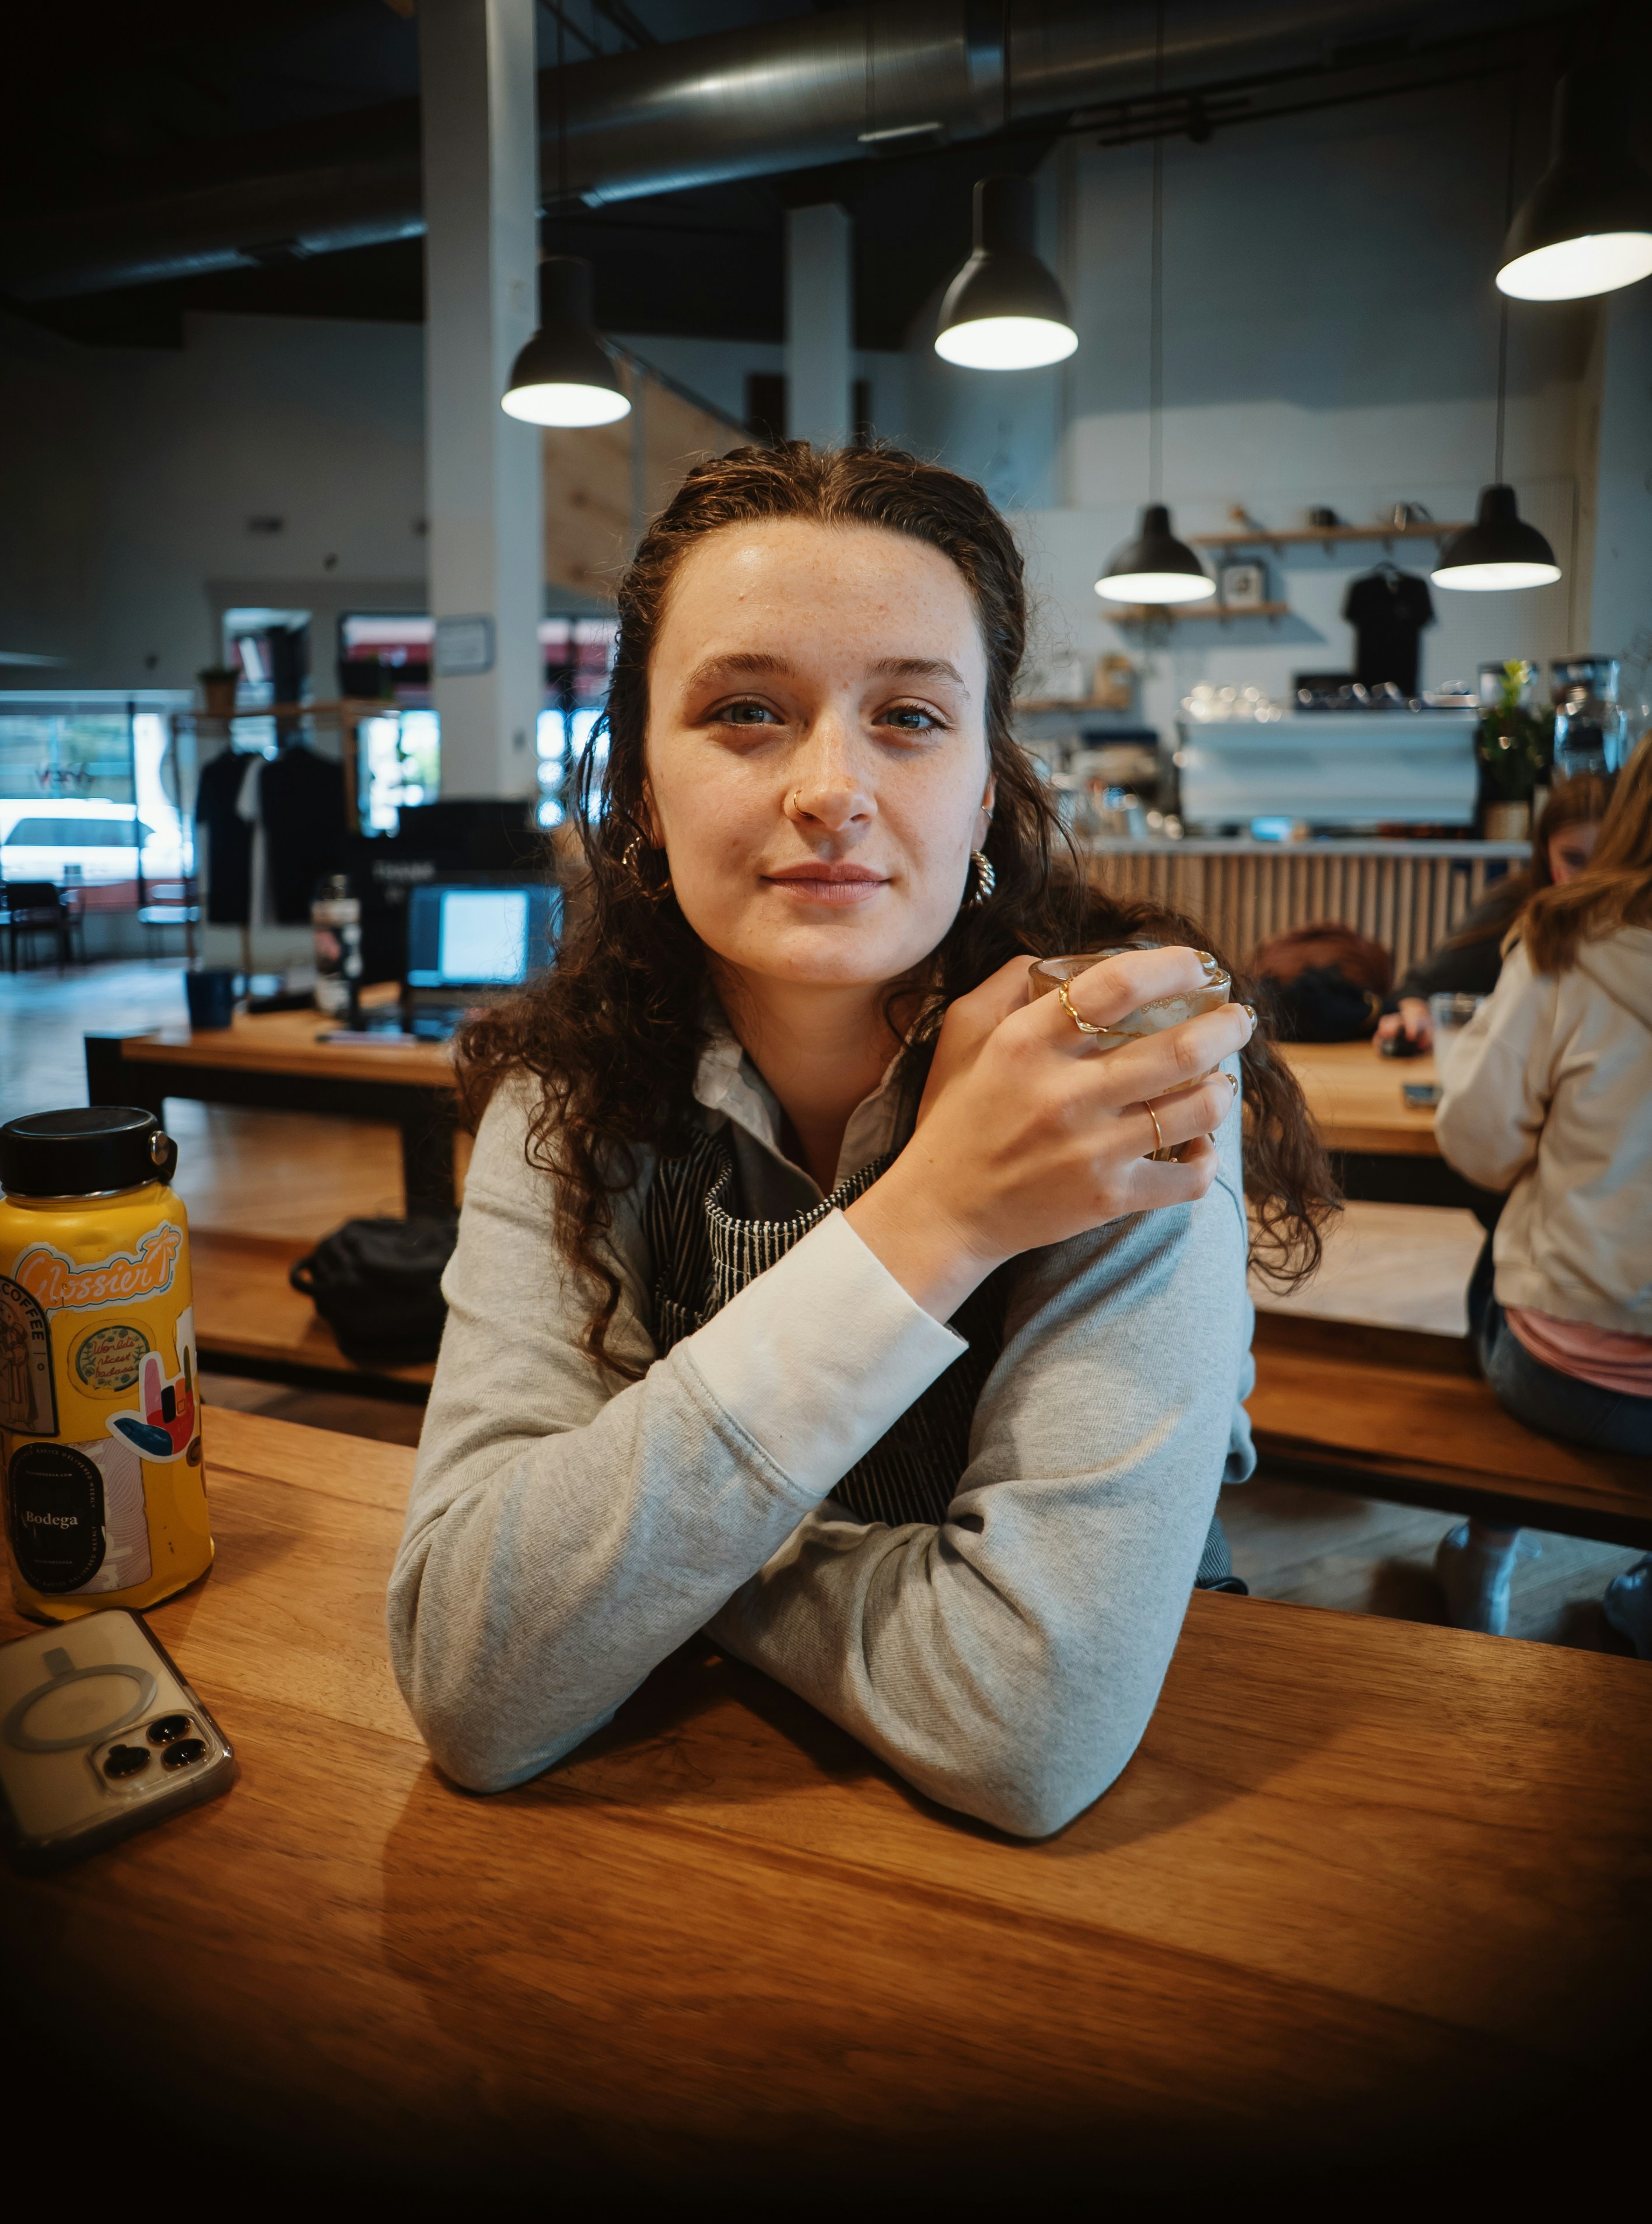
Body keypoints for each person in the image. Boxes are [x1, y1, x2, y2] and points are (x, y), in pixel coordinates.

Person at [387, 443, 1335, 1837]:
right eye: (747, 710)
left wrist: (650, 1566)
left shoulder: (1117, 1075)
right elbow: (472, 1671)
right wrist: (933, 1217)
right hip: (686, 1850)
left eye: (907, 716)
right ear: (639, 785)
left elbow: (1024, 1718)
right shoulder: (564, 1097)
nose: (831, 786)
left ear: (984, 788)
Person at [1433, 732, 1652, 1648]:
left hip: (1567, 1373)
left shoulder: (1570, 940)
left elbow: (1477, 1142)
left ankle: (1485, 1555)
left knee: (1510, 1243)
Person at [1375, 772, 1612, 1052]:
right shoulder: (1516, 911)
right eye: (1573, 860)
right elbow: (1419, 987)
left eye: (1603, 863)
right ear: (1546, 851)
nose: (1588, 881)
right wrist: (1416, 1017)